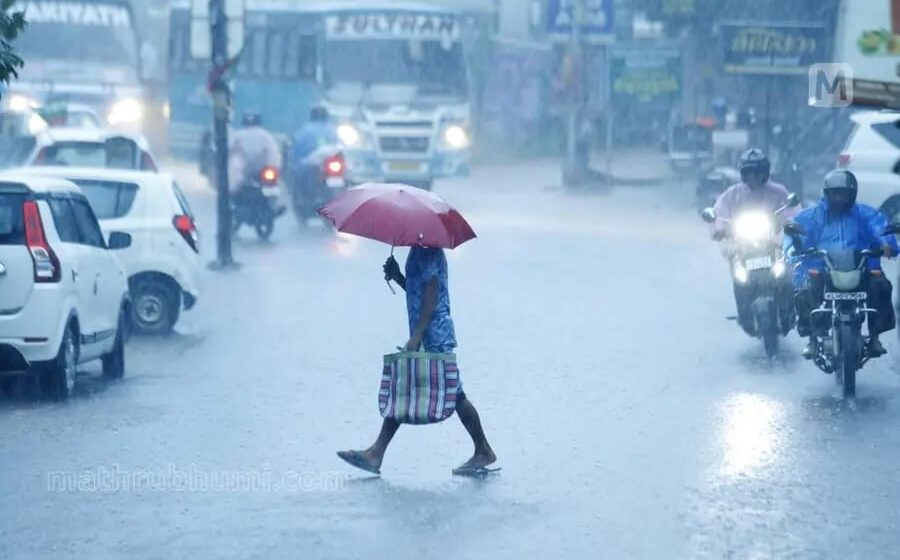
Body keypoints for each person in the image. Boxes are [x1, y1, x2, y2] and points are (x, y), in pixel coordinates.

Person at [337, 247, 497, 475]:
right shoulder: (418, 249)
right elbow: (418, 292)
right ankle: (376, 453)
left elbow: (431, 293)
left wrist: (418, 335)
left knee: (450, 393)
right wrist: (398, 277)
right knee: (409, 388)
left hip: (435, 334)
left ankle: (483, 450)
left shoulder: (428, 249)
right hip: (426, 332)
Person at [785, 169, 898, 359]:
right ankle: (813, 339)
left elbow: (879, 227)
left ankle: (875, 337)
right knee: (804, 290)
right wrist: (793, 248)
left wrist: (886, 244)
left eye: (843, 194)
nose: (839, 198)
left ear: (852, 194)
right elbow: (796, 233)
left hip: (862, 266)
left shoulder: (865, 213)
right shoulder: (813, 215)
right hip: (822, 267)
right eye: (835, 194)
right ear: (827, 194)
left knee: (881, 286)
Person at [711, 148, 797, 334]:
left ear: (765, 173)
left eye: (758, 172)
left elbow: (790, 210)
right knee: (739, 277)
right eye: (749, 173)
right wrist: (719, 228)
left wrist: (790, 225)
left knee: (787, 274)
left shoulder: (778, 192)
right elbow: (720, 212)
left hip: (773, 243)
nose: (754, 177)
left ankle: (789, 310)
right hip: (743, 245)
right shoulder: (733, 194)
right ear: (743, 174)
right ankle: (745, 315)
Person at [228, 112, 282, 195]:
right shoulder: (267, 136)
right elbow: (274, 156)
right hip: (261, 174)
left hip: (243, 175)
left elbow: (230, 153)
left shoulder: (237, 136)